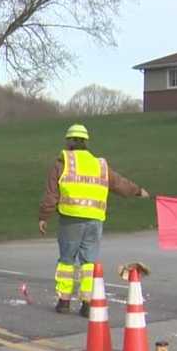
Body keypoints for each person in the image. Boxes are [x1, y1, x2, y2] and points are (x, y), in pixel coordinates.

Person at [38, 124, 151, 316]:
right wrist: (138, 191)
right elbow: (119, 183)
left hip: (71, 218)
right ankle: (87, 304)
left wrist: (44, 217)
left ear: (69, 141)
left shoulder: (62, 163)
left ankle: (64, 302)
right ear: (86, 142)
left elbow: (51, 194)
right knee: (88, 263)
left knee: (67, 261)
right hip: (94, 220)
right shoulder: (99, 165)